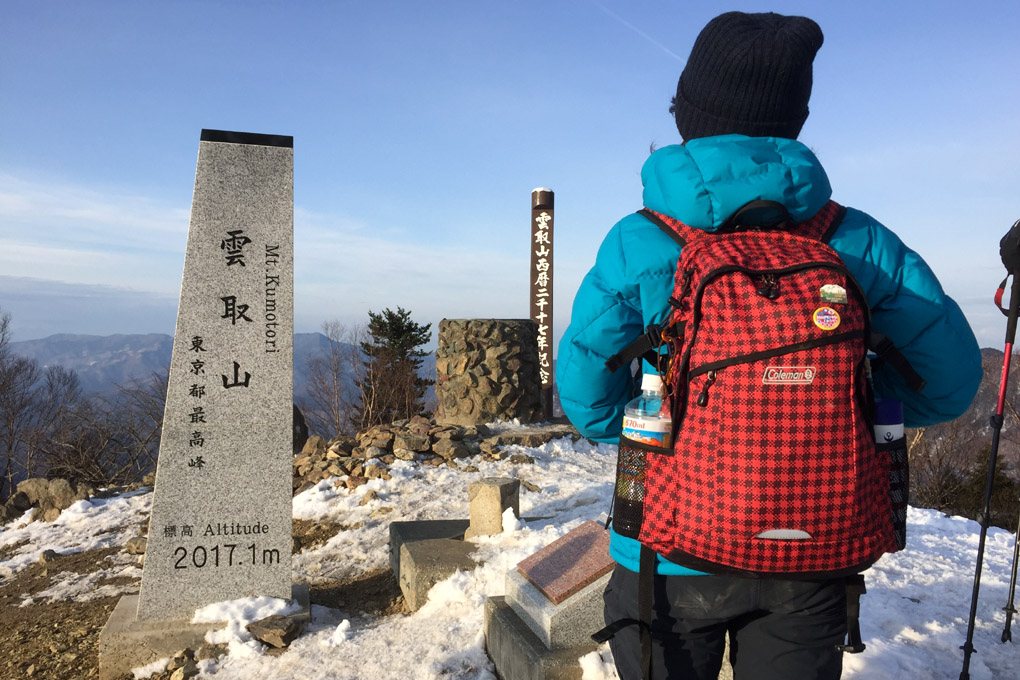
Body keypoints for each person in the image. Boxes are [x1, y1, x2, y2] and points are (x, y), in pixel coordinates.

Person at [556, 11, 982, 680]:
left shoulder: (639, 241)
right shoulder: (858, 240)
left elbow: (589, 404)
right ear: (796, 120)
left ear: (686, 113)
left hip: (670, 550)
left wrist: (683, 420)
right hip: (813, 552)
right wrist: (848, 398)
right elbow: (950, 381)